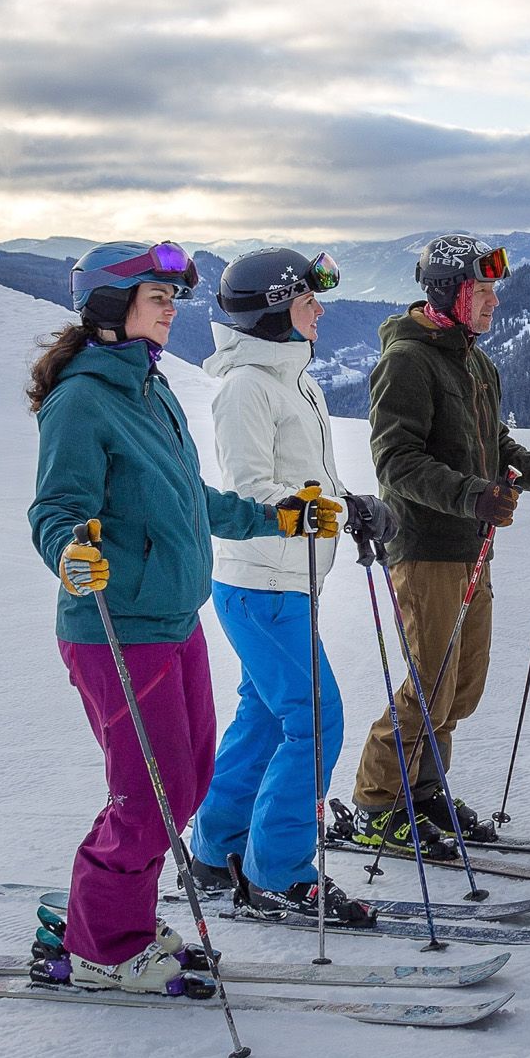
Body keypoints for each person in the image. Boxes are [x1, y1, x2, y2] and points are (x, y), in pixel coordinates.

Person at [26, 242, 343, 993]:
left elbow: (192, 499)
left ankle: (112, 917)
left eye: (174, 297)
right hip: (115, 626)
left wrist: (280, 516)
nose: (173, 310)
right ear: (112, 306)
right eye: (156, 296)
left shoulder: (150, 389)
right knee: (149, 794)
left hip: (174, 618)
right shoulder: (81, 400)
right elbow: (56, 510)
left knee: (189, 779)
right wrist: (71, 552)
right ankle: (104, 945)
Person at [340, 234, 530, 853]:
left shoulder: (473, 360)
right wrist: (472, 495)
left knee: (462, 686)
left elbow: (494, 446)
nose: (494, 302)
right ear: (449, 292)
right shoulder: (408, 361)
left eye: (494, 289)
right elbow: (396, 462)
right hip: (424, 547)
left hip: (472, 546)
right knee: (429, 683)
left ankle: (425, 793)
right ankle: (377, 804)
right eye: (483, 290)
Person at [186, 246, 391, 927]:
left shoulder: (294, 380)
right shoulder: (248, 388)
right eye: (308, 301)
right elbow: (251, 491)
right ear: (275, 311)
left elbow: (307, 483)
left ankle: (218, 852)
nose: (321, 311)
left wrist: (349, 503)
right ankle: (277, 871)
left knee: (267, 716)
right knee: (313, 717)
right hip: (260, 583)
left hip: (286, 584)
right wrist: (322, 512)